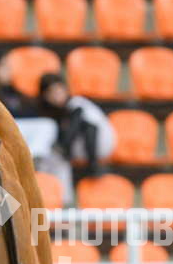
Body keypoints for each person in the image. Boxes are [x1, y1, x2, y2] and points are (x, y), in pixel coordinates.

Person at [35, 72, 115, 203]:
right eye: (51, 92)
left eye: (59, 89)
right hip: (78, 149)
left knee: (57, 158)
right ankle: (57, 201)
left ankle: (64, 201)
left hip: (98, 146)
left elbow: (89, 129)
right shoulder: (54, 115)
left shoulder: (77, 104)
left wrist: (92, 162)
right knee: (51, 162)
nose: (56, 95)